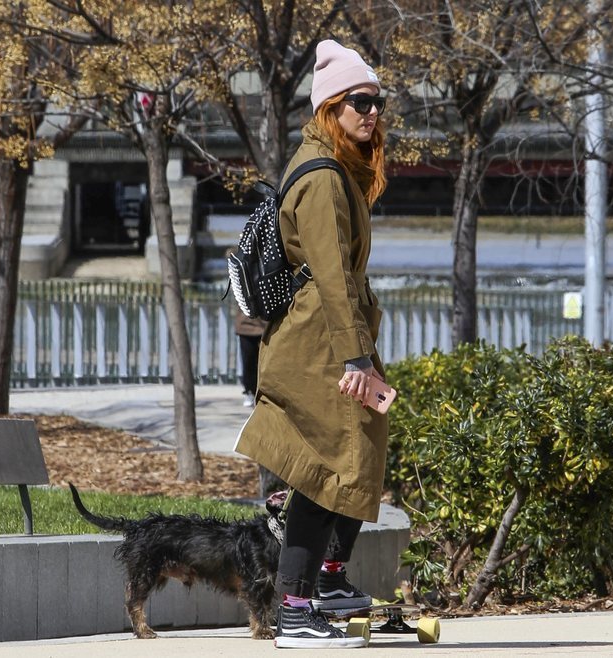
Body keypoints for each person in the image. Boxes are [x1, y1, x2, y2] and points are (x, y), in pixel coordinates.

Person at [234, 39, 388, 649]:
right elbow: (330, 274)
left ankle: (321, 586)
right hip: (319, 347)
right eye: (359, 101)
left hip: (327, 341)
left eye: (377, 102)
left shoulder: (334, 170)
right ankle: (298, 608)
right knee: (327, 471)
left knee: (350, 463)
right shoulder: (322, 178)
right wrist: (356, 357)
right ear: (331, 106)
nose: (371, 112)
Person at [232, 275, 268, 407]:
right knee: (248, 361)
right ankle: (249, 390)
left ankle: (262, 391)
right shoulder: (243, 264)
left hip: (266, 324)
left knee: (265, 363)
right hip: (246, 326)